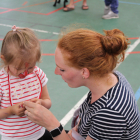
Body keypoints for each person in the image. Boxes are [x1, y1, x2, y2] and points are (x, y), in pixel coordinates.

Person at [24, 28, 140, 140]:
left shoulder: (110, 113)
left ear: (84, 72)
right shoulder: (110, 78)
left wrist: (52, 124)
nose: (56, 72)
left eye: (62, 69)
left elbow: (103, 116)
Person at [0, 25, 52, 140]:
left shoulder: (38, 74)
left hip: (39, 133)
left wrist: (41, 103)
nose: (24, 73)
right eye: (18, 68)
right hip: (13, 138)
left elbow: (48, 102)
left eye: (30, 67)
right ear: (4, 59)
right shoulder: (1, 81)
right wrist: (11, 110)